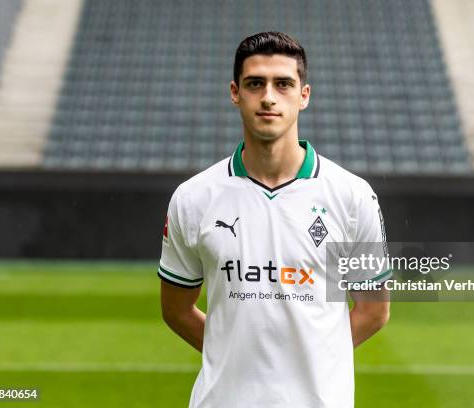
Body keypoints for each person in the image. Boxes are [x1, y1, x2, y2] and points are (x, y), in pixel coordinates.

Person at [159, 31, 390, 408]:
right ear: (235, 93)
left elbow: (374, 309)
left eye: (283, 84)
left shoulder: (352, 196)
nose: (268, 96)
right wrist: (234, 356)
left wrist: (308, 362)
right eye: (255, 84)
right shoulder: (193, 198)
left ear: (304, 95)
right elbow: (175, 308)